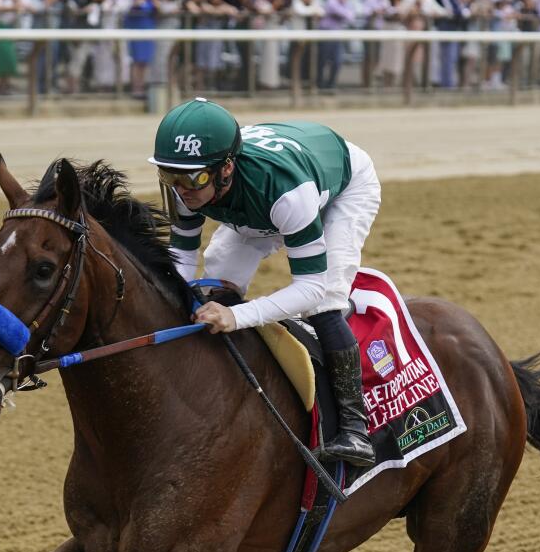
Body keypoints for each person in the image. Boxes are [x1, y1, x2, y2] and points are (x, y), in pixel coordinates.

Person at [149, 98, 380, 467]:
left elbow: (310, 287)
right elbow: (182, 261)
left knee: (325, 301)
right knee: (218, 274)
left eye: (193, 178)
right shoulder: (190, 184)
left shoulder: (286, 194)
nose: (182, 189)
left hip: (338, 186)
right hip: (258, 198)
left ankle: (355, 428)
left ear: (225, 168)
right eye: (169, 175)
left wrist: (236, 317)